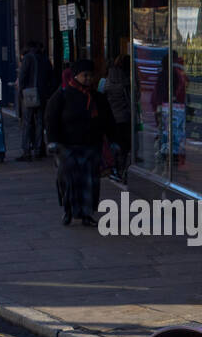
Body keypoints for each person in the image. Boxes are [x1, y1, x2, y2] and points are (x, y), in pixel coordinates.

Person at [45, 59, 114, 227]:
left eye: (91, 75)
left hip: (91, 145)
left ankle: (87, 214)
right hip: (67, 146)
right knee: (68, 181)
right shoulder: (61, 96)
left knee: (90, 182)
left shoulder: (98, 98)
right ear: (76, 75)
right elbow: (51, 119)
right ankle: (68, 211)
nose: (89, 79)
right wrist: (53, 142)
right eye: (85, 75)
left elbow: (108, 121)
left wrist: (113, 141)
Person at [102, 55, 132, 181]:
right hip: (124, 118)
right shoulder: (125, 83)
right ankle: (123, 169)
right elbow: (131, 99)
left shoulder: (105, 82)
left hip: (110, 119)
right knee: (125, 146)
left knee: (114, 145)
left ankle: (114, 168)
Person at [17, 42, 43, 161]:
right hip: (41, 93)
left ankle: (26, 150)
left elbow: (22, 76)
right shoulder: (43, 58)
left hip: (29, 92)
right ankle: (38, 149)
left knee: (27, 122)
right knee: (39, 122)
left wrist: (20, 91)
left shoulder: (28, 58)